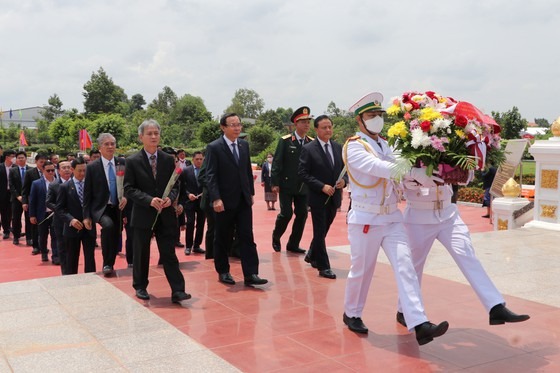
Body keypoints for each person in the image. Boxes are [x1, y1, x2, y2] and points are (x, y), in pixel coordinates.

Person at [342, 92, 449, 345]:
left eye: (379, 115)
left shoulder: (386, 144)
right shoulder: (354, 145)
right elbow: (377, 168)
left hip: (391, 217)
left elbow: (398, 171)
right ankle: (352, 312)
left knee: (405, 266)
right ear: (360, 120)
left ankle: (419, 322)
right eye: (371, 116)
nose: (377, 119)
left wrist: (418, 177)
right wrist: (412, 171)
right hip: (366, 218)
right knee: (362, 270)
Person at [397, 180, 530, 328]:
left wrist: (460, 171)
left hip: (448, 214)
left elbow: (465, 177)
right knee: (414, 266)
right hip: (419, 216)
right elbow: (400, 178)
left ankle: (495, 306)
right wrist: (418, 176)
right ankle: (404, 311)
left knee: (467, 256)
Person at [124, 119, 190, 304]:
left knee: (168, 253)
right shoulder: (132, 161)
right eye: (149, 133)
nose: (153, 137)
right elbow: (128, 189)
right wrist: (148, 200)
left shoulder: (168, 159)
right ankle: (140, 286)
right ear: (141, 137)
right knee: (141, 252)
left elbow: (176, 184)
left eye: (156, 133)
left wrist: (171, 198)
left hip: (166, 214)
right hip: (143, 214)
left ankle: (178, 290)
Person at [205, 113, 267, 287]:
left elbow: (247, 172)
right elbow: (210, 175)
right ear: (223, 127)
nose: (237, 128)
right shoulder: (214, 147)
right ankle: (223, 271)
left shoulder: (244, 145)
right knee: (223, 237)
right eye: (232, 125)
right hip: (223, 202)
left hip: (243, 200)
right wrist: (216, 198)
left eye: (239, 124)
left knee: (247, 236)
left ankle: (251, 273)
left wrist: (251, 193)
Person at [298, 115, 347, 279]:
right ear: (316, 129)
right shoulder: (309, 148)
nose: (328, 130)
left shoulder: (338, 147)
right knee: (319, 231)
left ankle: (312, 253)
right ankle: (323, 267)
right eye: (324, 127)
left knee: (324, 229)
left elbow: (344, 170)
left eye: (330, 127)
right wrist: (321, 186)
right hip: (318, 197)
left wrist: (344, 182)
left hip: (334, 197)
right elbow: (303, 173)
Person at [270, 106, 314, 254]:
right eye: (303, 122)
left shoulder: (311, 142)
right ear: (296, 124)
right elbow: (277, 162)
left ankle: (293, 243)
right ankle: (276, 236)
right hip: (287, 184)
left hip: (304, 186)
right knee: (286, 213)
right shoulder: (286, 141)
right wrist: (274, 183)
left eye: (308, 122)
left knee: (302, 214)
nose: (307, 125)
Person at [83, 133, 127, 277]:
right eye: (106, 144)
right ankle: (106, 263)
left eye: (112, 144)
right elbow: (87, 192)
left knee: (116, 233)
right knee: (108, 227)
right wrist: (86, 216)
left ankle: (111, 262)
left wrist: (125, 197)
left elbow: (129, 184)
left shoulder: (122, 163)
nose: (110, 147)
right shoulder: (92, 167)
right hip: (101, 208)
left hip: (119, 206)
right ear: (100, 147)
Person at [57, 157, 97, 274]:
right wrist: (71, 220)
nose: (82, 173)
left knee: (90, 257)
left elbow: (95, 204)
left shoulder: (91, 186)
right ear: (72, 170)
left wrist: (89, 217)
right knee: (71, 258)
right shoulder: (64, 187)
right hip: (72, 228)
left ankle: (91, 279)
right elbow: (60, 209)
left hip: (88, 227)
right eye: (79, 170)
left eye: (84, 170)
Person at [29, 161, 57, 262]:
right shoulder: (36, 183)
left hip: (55, 214)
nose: (50, 172)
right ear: (43, 170)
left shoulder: (58, 182)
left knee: (55, 235)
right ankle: (44, 252)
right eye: (48, 170)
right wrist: (32, 215)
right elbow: (32, 200)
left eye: (52, 170)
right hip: (42, 214)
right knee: (43, 235)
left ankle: (56, 256)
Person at [46, 160, 72, 270]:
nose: (66, 170)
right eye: (63, 168)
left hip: (74, 220)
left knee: (72, 247)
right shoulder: (53, 185)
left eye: (68, 167)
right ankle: (65, 271)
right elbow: (48, 202)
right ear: (58, 171)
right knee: (62, 246)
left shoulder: (76, 183)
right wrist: (60, 210)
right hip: (60, 220)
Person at [22, 153, 48, 252]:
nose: (42, 164)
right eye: (41, 162)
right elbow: (25, 189)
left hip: (47, 204)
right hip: (35, 203)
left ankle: (44, 246)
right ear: (36, 162)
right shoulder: (30, 173)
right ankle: (36, 246)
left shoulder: (50, 172)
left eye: (44, 162)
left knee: (45, 228)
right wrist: (24, 202)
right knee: (35, 225)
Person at [182, 151, 206, 255]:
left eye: (201, 159)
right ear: (193, 159)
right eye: (197, 159)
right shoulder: (186, 171)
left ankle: (197, 245)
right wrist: (188, 194)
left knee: (201, 224)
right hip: (190, 201)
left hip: (202, 201)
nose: (199, 161)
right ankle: (188, 246)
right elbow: (182, 186)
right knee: (190, 223)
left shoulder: (206, 171)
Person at [9, 151, 30, 245]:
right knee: (16, 218)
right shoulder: (12, 170)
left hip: (28, 199)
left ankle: (30, 237)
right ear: (16, 160)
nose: (21, 159)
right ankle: (16, 236)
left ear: (26, 159)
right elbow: (11, 185)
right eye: (19, 158)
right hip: (16, 199)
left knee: (29, 218)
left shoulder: (31, 170)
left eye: (22, 157)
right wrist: (18, 196)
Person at [0, 150, 15, 240]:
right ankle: (6, 230)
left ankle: (12, 228)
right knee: (3, 212)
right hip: (2, 193)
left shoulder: (16, 167)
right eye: (12, 156)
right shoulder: (1, 167)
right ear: (7, 157)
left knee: (12, 212)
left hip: (13, 193)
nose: (14, 158)